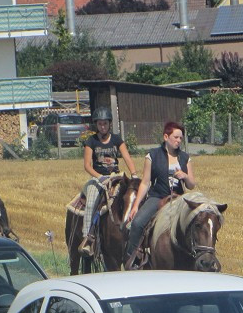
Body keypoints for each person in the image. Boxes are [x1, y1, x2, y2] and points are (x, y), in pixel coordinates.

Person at [124, 121, 195, 269]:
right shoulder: (153, 155)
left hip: (178, 199)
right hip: (157, 197)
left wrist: (185, 176)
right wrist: (136, 206)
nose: (178, 141)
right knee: (137, 223)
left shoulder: (185, 158)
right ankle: (132, 259)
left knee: (196, 222)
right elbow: (145, 182)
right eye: (175, 137)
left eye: (181, 138)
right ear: (166, 137)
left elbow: (191, 185)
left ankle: (197, 256)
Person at [78, 106, 136, 256]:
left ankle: (135, 236)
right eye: (99, 124)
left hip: (116, 176)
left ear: (110, 124)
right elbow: (87, 165)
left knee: (131, 198)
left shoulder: (116, 139)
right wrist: (99, 177)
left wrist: (134, 174)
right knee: (91, 202)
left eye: (105, 123)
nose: (102, 127)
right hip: (98, 178)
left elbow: (127, 157)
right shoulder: (91, 141)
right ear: (96, 125)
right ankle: (87, 238)